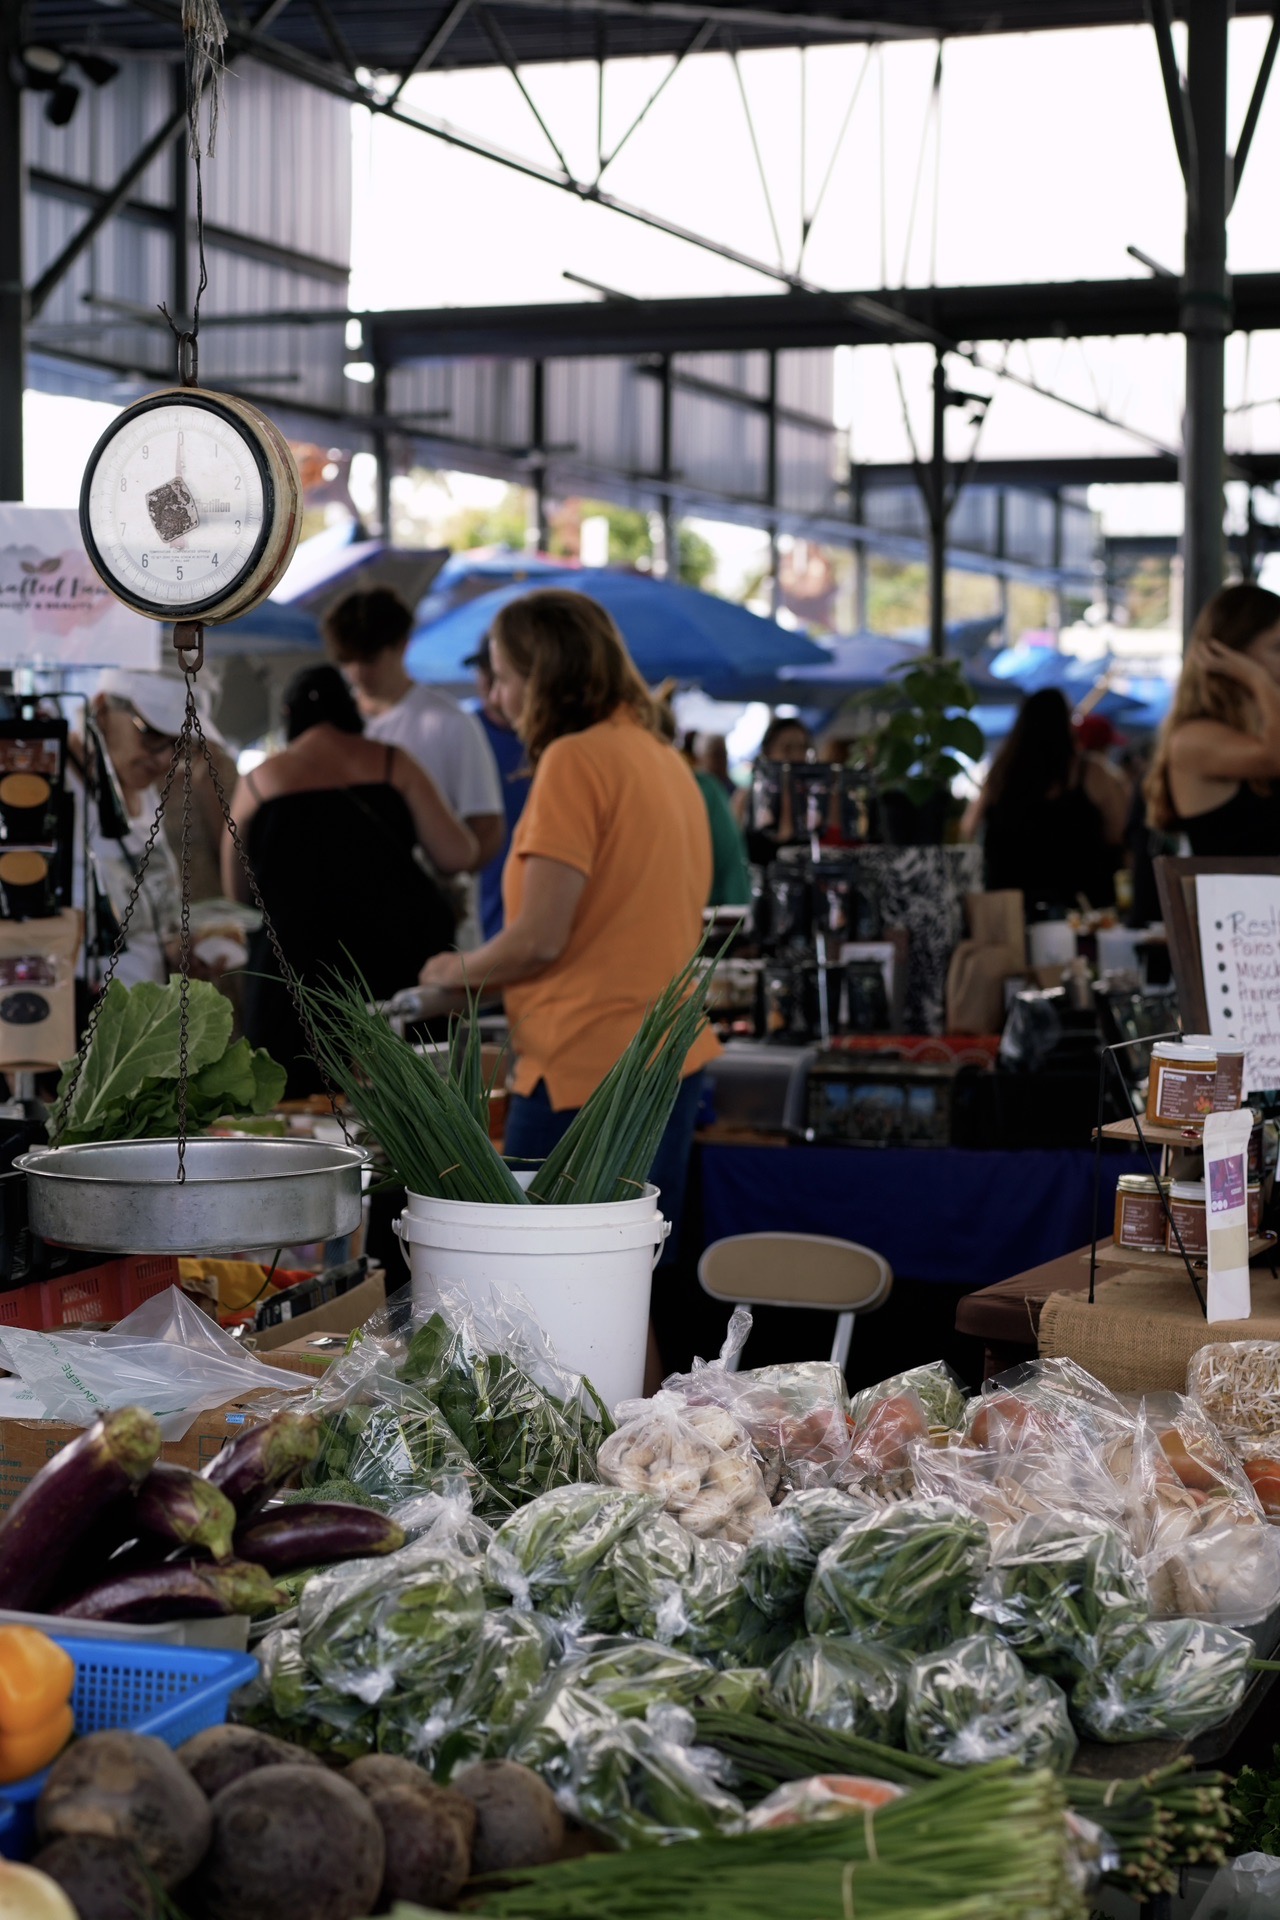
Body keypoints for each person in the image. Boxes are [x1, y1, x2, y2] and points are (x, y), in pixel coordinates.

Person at [419, 588, 719, 1260]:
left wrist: (451, 975)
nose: (495, 698)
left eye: (503, 676)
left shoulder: (574, 761)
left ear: (543, 677)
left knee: (551, 1285)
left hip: (585, 1066)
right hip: (661, 1058)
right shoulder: (663, 760)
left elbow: (540, 937)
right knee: (625, 1282)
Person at [223, 665, 477, 1096]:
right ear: (352, 709)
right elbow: (457, 855)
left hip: (297, 975)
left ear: (288, 714)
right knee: (410, 1102)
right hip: (394, 959)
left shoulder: (261, 780)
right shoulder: (393, 762)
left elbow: (238, 891)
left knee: (302, 1110)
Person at [324, 587, 504, 874]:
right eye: (347, 660)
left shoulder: (450, 722)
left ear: (402, 645)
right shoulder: (328, 727)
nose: (358, 673)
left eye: (369, 660)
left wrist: (447, 888)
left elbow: (487, 826)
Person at [66, 670, 196, 987]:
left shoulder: (145, 793)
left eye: (180, 744)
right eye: (150, 733)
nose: (166, 758)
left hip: (145, 1011)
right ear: (102, 708)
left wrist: (177, 945)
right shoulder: (57, 790)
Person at [962, 687, 1131, 912]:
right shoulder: (1089, 773)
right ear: (1065, 724)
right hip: (1083, 908)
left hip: (1013, 909)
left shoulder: (1000, 775)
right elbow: (1122, 832)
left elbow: (967, 830)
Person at [1145, 583, 1280, 854]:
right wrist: (1258, 680)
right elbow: (1275, 758)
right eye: (1277, 648)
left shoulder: (1258, 732)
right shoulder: (1191, 737)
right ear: (1231, 654)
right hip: (1234, 896)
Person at [466, 636, 529, 941]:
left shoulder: (551, 742)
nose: (492, 693)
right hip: (486, 898)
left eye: (500, 678)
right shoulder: (466, 733)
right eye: (485, 675)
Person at [738, 714, 815, 863]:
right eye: (787, 748)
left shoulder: (813, 799)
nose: (796, 756)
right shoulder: (747, 798)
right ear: (768, 752)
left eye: (803, 748)